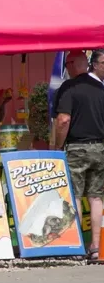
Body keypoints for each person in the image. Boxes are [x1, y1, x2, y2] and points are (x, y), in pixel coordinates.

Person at [54, 49, 104, 262]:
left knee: (73, 194)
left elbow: (63, 120)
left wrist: (58, 146)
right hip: (101, 148)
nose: (66, 69)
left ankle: (73, 244)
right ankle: (95, 247)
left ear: (75, 64)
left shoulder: (70, 87)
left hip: (77, 147)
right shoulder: (101, 88)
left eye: (67, 65)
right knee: (96, 197)